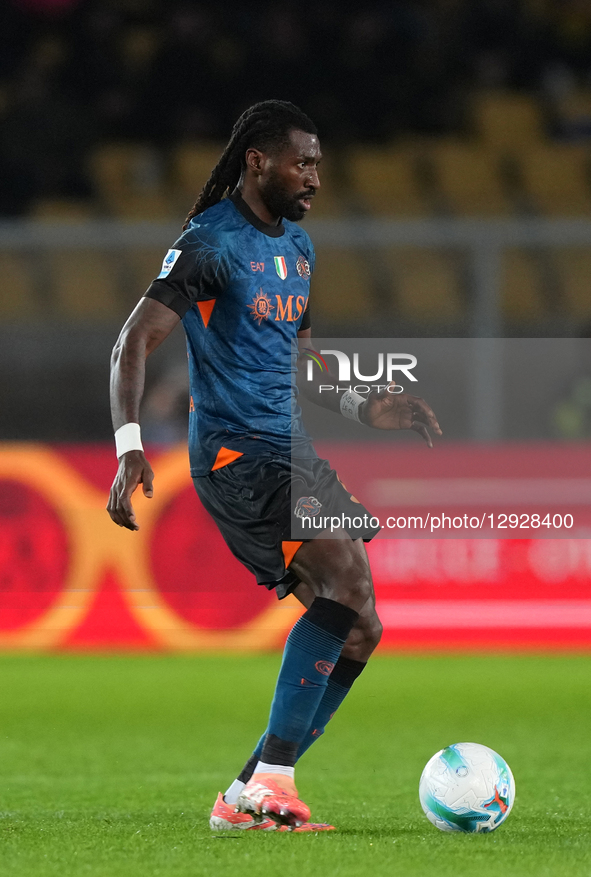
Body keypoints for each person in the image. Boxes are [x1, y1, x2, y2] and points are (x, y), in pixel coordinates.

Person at [107, 100, 441, 832]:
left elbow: (301, 364)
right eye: (303, 162)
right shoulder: (209, 243)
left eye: (317, 163)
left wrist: (365, 405)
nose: (314, 177)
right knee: (345, 579)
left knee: (361, 625)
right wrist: (130, 442)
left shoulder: (298, 248)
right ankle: (275, 785)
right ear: (258, 161)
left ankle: (243, 793)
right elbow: (132, 342)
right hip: (235, 452)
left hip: (290, 450)